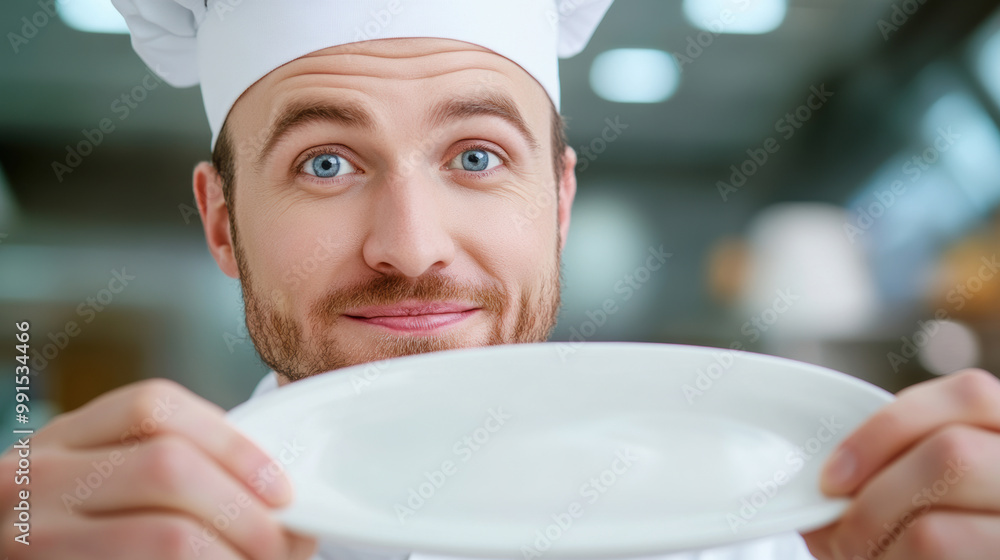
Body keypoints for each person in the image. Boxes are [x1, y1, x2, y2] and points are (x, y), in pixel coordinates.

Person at [4, 1, 1000, 559]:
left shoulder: (774, 534)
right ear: (222, 219)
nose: (411, 246)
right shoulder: (107, 535)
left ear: (559, 205)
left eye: (476, 156)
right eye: (325, 163)